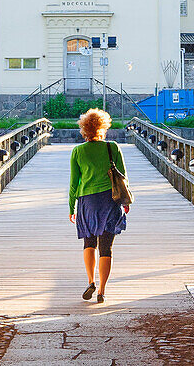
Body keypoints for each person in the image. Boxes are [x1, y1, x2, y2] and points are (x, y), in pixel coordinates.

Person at [68, 107, 129, 303]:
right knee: (106, 247)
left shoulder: (78, 151)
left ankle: (90, 281)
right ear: (103, 127)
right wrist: (125, 202)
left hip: (87, 201)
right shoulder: (112, 147)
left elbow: (73, 183)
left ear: (84, 129)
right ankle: (102, 290)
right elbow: (123, 178)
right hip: (110, 200)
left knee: (89, 243)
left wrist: (71, 208)